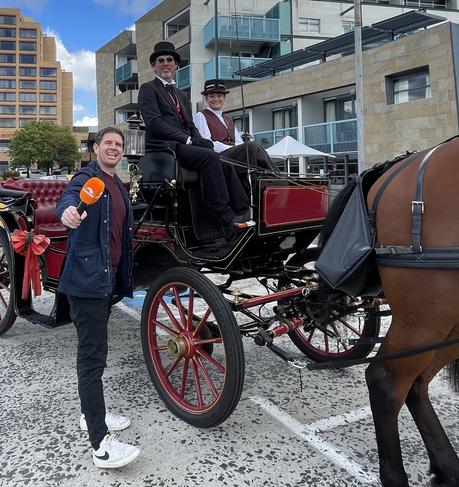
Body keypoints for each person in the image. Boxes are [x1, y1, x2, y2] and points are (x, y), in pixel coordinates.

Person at [55, 126, 140, 469]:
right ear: (94, 148)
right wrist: (68, 213)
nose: (114, 148)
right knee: (91, 359)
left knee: (97, 355)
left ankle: (91, 413)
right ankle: (100, 444)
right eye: (108, 143)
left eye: (119, 145)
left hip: (105, 282)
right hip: (86, 283)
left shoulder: (118, 185)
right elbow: (69, 201)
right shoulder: (87, 179)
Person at [137, 41, 249, 235]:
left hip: (184, 145)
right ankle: (224, 216)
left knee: (225, 161)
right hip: (165, 147)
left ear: (176, 65)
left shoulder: (181, 94)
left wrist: (199, 139)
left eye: (170, 60)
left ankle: (243, 211)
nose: (165, 63)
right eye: (160, 60)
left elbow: (190, 125)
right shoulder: (148, 89)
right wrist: (188, 140)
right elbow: (154, 123)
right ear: (155, 66)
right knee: (211, 157)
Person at [193, 79, 279, 177]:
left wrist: (237, 148)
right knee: (251, 147)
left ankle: (272, 177)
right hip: (218, 157)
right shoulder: (200, 116)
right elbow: (206, 144)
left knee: (255, 148)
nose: (216, 99)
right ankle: (277, 176)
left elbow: (239, 143)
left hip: (233, 156)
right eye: (212, 96)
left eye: (219, 96)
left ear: (224, 98)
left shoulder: (228, 119)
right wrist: (232, 148)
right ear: (206, 99)